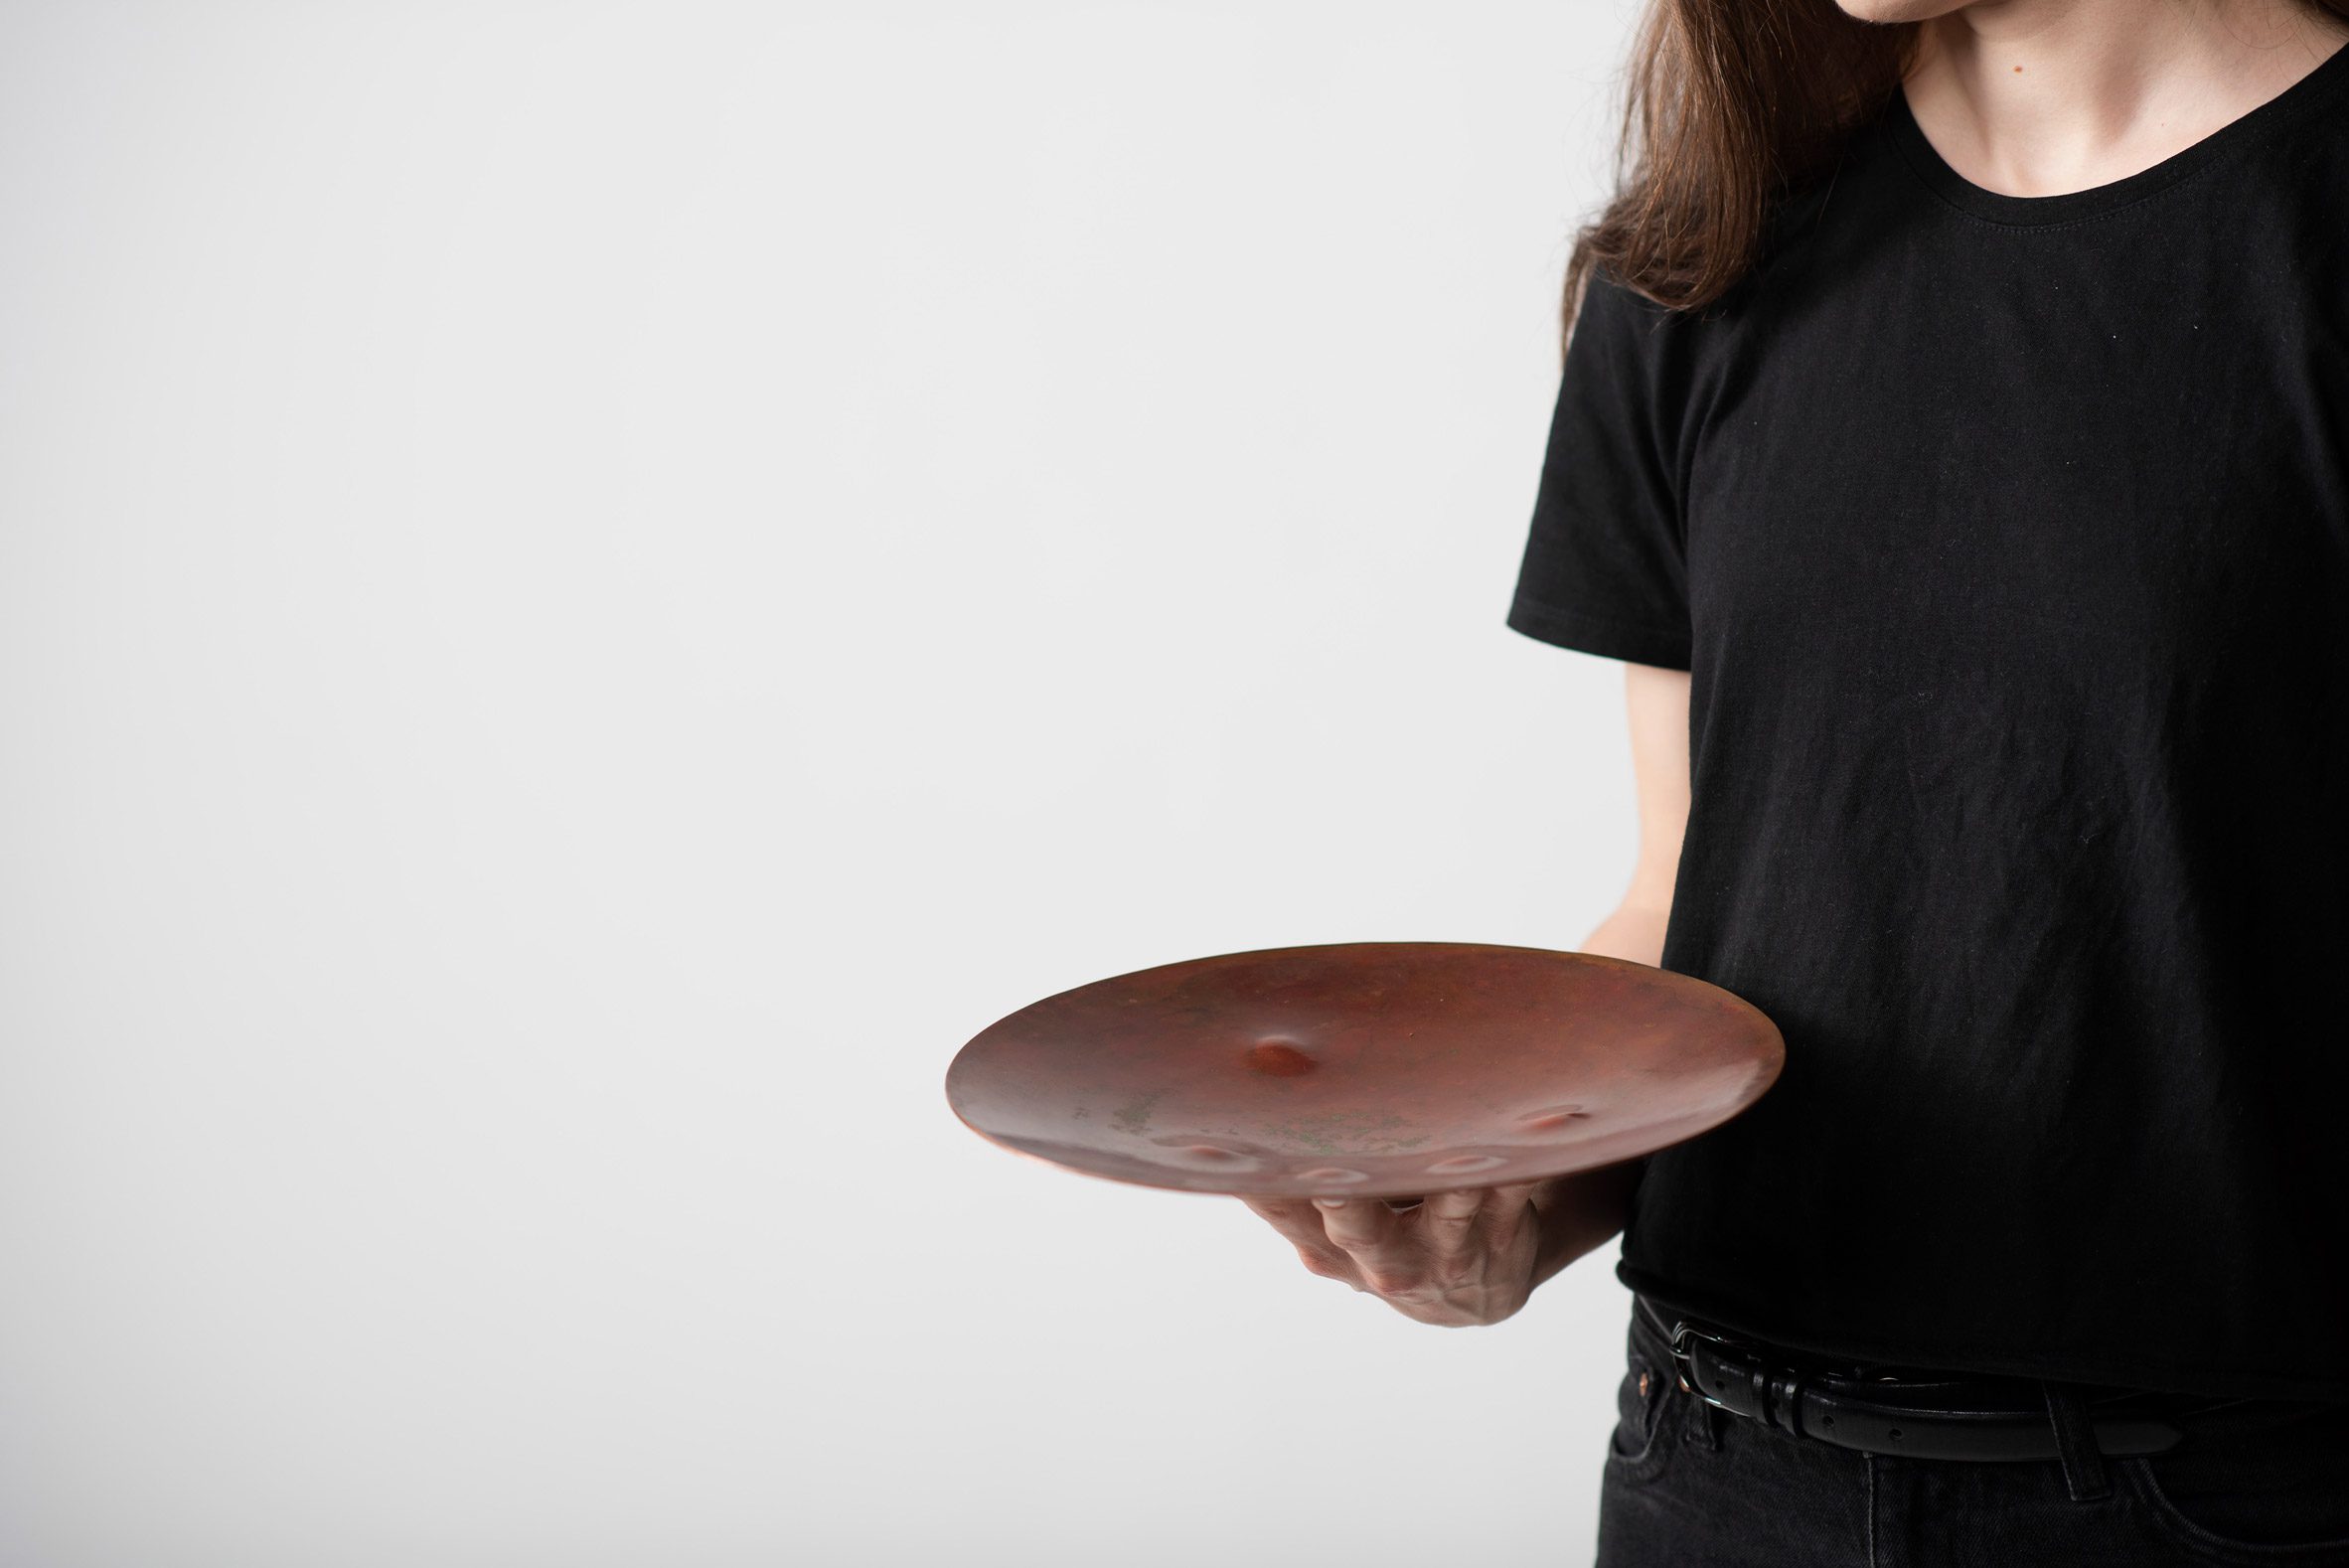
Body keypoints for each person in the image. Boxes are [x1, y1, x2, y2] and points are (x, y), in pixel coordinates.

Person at [1236, 0, 2349, 1559]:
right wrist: (1518, 1202)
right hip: (1717, 1465)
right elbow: (1684, 902)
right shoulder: (1711, 249)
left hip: (2232, 1494)